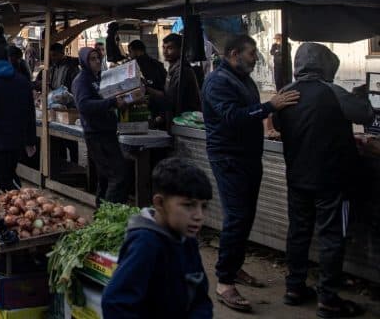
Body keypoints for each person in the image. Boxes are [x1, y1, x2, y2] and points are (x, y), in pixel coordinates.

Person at [201, 34, 300, 313]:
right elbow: (232, 116)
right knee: (237, 217)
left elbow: (248, 112)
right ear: (234, 53)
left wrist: (269, 120)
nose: (256, 57)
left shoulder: (241, 78)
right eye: (251, 53)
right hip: (229, 158)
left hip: (247, 156)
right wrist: (270, 107)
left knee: (245, 216)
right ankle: (224, 282)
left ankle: (234, 266)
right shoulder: (218, 81)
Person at [274, 43, 370, 317]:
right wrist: (360, 97)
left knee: (299, 232)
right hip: (332, 180)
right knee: (331, 236)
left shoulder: (285, 93)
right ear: (326, 64)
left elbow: (280, 126)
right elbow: (365, 115)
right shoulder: (333, 91)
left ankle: (294, 288)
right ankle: (328, 298)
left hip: (297, 178)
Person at [102, 157, 214, 319]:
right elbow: (115, 302)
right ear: (160, 203)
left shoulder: (187, 240)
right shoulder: (145, 244)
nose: (199, 216)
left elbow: (200, 297)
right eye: (188, 205)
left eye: (203, 206)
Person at [72, 46, 140, 205]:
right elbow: (84, 106)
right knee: (118, 176)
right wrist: (112, 102)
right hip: (96, 135)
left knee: (104, 177)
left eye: (98, 58)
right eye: (92, 59)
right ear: (84, 62)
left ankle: (100, 214)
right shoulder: (81, 80)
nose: (96, 61)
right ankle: (110, 216)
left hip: (107, 132)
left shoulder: (98, 78)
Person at [0, 45, 37, 192]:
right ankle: (15, 204)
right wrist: (30, 139)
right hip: (17, 138)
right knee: (10, 172)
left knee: (2, 178)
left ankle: (13, 206)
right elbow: (30, 113)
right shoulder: (23, 81)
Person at [159, 33, 202, 126]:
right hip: (174, 120)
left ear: (180, 50)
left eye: (170, 48)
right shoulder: (173, 69)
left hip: (184, 122)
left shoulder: (182, 71)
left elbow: (172, 99)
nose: (165, 52)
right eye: (164, 48)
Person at [127, 39, 166, 122]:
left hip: (145, 108)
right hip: (161, 109)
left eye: (130, 52)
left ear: (137, 51)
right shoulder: (158, 64)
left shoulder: (134, 66)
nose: (129, 55)